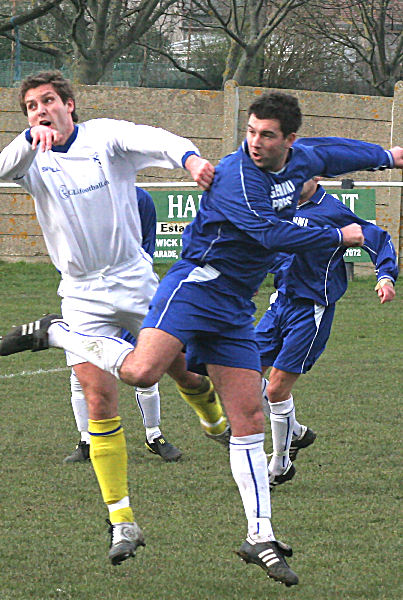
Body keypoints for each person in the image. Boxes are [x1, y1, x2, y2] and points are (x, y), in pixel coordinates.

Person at [2, 92, 403, 586]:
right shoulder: (238, 176)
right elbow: (269, 234)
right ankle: (59, 333)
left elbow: (338, 151)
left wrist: (390, 156)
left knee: (248, 418)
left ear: (289, 141)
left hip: (235, 303)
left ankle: (260, 535)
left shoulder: (304, 158)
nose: (255, 142)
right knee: (142, 372)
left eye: (267, 135)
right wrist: (340, 237)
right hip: (196, 286)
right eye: (250, 131)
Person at [0, 70, 230, 567]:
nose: (40, 111)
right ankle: (122, 520)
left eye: (48, 102)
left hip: (134, 281)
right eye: (30, 107)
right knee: (99, 399)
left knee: (183, 367)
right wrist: (25, 140)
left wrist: (189, 159)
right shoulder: (28, 160)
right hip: (80, 294)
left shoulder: (105, 137)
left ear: (69, 104)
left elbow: (156, 139)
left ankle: (214, 421)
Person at [256, 178, 398, 488]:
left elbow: (377, 238)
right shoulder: (280, 206)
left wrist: (385, 275)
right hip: (278, 303)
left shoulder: (333, 211)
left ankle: (280, 464)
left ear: (315, 175)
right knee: (242, 376)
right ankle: (293, 431)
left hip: (310, 310)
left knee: (276, 389)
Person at [64, 187, 182, 463]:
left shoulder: (140, 199)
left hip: (129, 294)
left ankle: (154, 435)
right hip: (88, 297)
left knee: (147, 367)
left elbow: (146, 246)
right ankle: (87, 440)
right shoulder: (76, 196)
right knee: (80, 373)